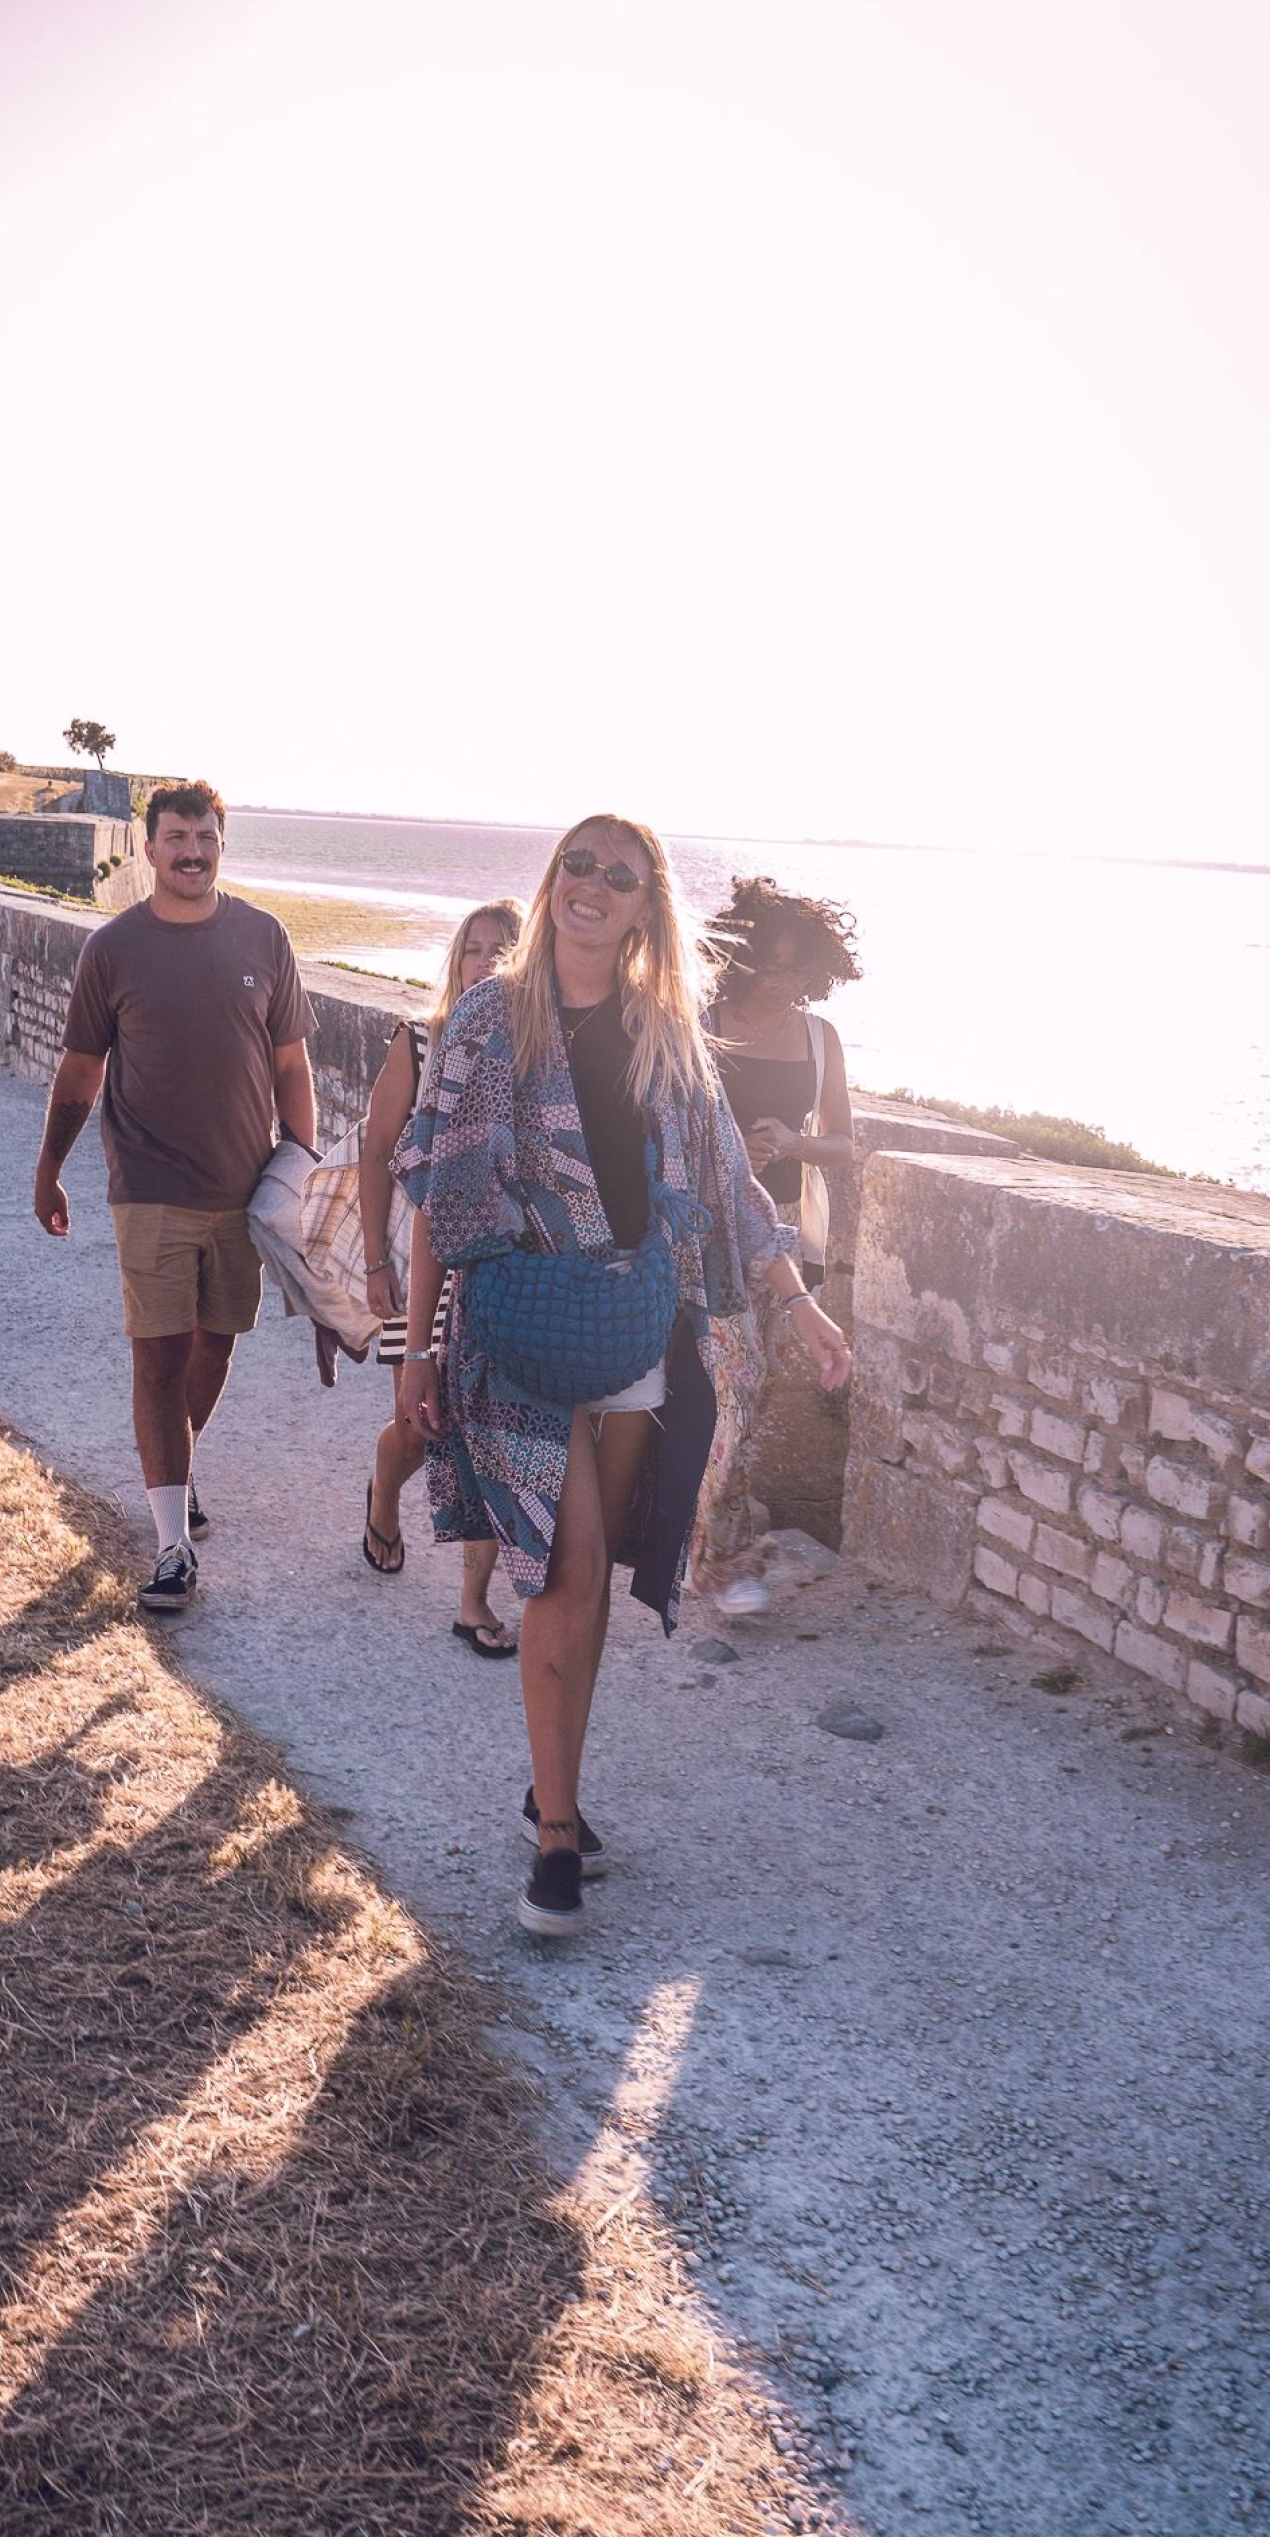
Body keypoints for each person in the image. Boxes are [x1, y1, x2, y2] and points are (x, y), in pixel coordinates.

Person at [394, 816, 851, 1938]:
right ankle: (556, 1838)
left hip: (638, 1322)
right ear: (554, 878)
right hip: (521, 1326)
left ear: (648, 908)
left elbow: (729, 1177)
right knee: (567, 1562)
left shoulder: (664, 1031)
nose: (593, 885)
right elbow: (440, 1183)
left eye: (622, 876)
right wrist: (420, 1345)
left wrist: (798, 1303)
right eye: (580, 865)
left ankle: (554, 1783)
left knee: (591, 1578)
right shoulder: (492, 1018)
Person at [33, 780, 315, 1614]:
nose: (192, 852)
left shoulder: (264, 937)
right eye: (177, 838)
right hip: (148, 1188)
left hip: (243, 1191)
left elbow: (292, 1064)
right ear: (149, 848)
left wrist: (301, 1166)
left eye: (206, 838)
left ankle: (176, 1475)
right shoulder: (113, 949)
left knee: (214, 1349)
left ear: (222, 846)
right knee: (157, 1358)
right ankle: (170, 1546)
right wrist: (49, 1167)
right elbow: (81, 1071)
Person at [358, 899, 524, 1654]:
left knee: (484, 1430)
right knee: (418, 1425)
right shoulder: (420, 1043)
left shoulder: (533, 1056)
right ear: (456, 960)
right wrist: (375, 1261)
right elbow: (377, 1150)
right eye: (474, 950)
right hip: (419, 1259)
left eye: (502, 951)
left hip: (497, 1271)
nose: (485, 963)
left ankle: (472, 1602)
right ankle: (383, 1492)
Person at [693, 875, 862, 1616]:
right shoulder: (700, 1024)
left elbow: (844, 1144)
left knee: (749, 1392)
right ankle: (719, 1559)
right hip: (706, 1232)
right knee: (730, 1388)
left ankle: (706, 1543)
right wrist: (728, 1149)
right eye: (770, 962)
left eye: (797, 967)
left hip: (784, 1234)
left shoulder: (821, 1040)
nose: (782, 979)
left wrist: (793, 1142)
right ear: (740, 958)